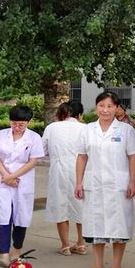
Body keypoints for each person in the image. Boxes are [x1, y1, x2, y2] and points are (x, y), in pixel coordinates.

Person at [75, 91, 135, 268]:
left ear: (117, 108)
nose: (105, 110)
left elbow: (133, 157)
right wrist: (78, 182)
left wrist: (132, 182)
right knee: (96, 225)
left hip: (118, 186)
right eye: (101, 106)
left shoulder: (126, 130)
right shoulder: (87, 129)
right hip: (94, 184)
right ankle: (97, 265)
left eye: (110, 106)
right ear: (96, 107)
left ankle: (116, 267)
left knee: (118, 226)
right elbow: (82, 157)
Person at [0, 105, 45, 267]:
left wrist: (12, 177)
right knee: (3, 217)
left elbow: (33, 161)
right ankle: (4, 255)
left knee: (21, 217)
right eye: (14, 123)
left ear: (28, 122)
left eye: (21, 124)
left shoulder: (34, 137)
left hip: (23, 181)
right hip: (2, 179)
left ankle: (17, 250)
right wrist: (6, 176)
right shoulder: (1, 134)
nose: (17, 127)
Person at [43, 101, 87, 256]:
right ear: (80, 115)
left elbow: (43, 150)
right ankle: (81, 244)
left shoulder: (52, 128)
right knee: (82, 206)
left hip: (59, 170)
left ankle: (65, 246)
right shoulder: (86, 129)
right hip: (81, 170)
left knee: (60, 206)